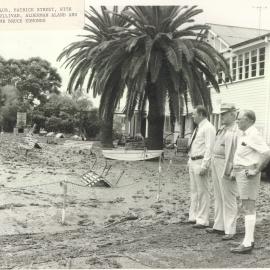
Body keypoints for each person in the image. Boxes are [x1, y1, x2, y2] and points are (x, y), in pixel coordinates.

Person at [230, 110, 270, 254]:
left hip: (248, 174)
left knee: (248, 206)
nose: (237, 121)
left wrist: (256, 170)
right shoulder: (245, 134)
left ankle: (247, 243)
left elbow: (266, 153)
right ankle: (249, 239)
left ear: (247, 120)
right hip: (241, 172)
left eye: (239, 119)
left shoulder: (253, 135)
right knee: (246, 205)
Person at [206, 103, 239, 240]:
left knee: (229, 197)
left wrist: (234, 170)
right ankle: (219, 225)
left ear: (233, 114)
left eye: (224, 114)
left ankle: (230, 229)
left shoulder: (236, 131)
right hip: (216, 162)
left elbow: (237, 153)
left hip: (227, 164)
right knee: (218, 195)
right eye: (221, 114)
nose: (222, 116)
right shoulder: (223, 129)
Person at [187, 105, 216, 228]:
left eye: (194, 114)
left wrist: (205, 165)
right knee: (194, 191)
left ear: (201, 114)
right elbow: (195, 145)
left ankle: (203, 220)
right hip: (193, 161)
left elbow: (210, 148)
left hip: (200, 162)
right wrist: (189, 160)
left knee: (203, 191)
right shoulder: (198, 128)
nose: (192, 116)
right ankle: (193, 216)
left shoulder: (208, 128)